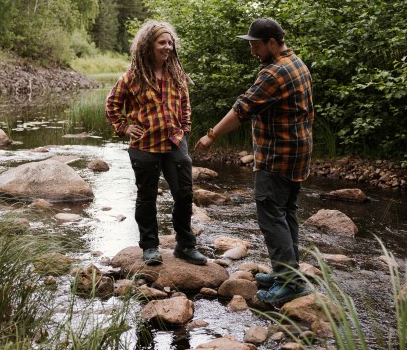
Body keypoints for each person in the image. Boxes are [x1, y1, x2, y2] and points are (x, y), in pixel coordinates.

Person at [195, 18, 314, 304]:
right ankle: (286, 272)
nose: (253, 51)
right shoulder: (297, 63)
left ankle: (290, 282)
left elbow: (241, 110)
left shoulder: (274, 72)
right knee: (286, 214)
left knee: (271, 216)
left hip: (277, 157)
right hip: (297, 154)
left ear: (272, 42)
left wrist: (211, 136)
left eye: (256, 45)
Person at [106, 20, 207, 266]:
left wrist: (185, 129)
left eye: (170, 42)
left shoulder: (177, 74)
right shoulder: (132, 77)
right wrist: (124, 127)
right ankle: (150, 246)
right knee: (146, 197)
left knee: (184, 194)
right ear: (148, 46)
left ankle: (185, 245)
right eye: (162, 42)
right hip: (144, 146)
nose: (168, 47)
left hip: (175, 142)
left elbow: (185, 104)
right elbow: (112, 104)